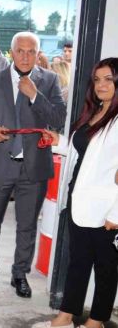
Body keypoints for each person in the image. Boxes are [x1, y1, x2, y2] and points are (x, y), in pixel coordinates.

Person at [0, 32, 66, 298]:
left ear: (38, 54)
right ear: (12, 52)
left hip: (32, 168)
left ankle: (20, 274)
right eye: (20, 51)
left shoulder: (49, 80)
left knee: (27, 225)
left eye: (31, 51)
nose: (25, 56)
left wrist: (35, 96)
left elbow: (58, 118)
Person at [34, 58, 118, 328]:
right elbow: (83, 150)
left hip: (106, 209)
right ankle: (66, 316)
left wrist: (117, 214)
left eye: (108, 79)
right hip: (78, 200)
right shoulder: (95, 112)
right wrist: (58, 141)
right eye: (97, 80)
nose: (101, 85)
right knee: (78, 262)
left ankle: (96, 322)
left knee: (106, 267)